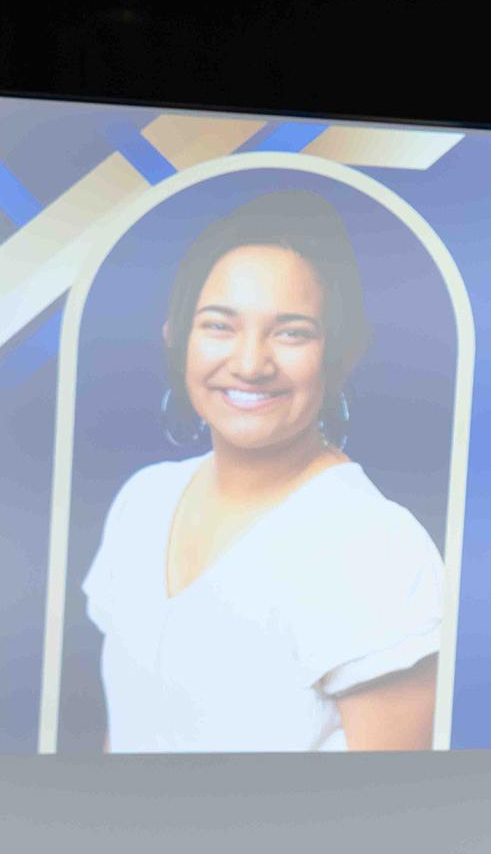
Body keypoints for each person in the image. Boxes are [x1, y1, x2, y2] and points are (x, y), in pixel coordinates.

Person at [80, 190, 444, 753]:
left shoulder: (376, 544)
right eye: (220, 326)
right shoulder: (143, 500)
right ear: (176, 338)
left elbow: (392, 810)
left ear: (340, 354)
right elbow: (128, 735)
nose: (250, 364)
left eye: (291, 331)